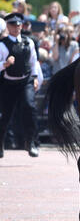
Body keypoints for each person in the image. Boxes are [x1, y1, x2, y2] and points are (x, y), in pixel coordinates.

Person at [0, 13, 42, 158]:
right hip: (8, 82)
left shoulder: (28, 42)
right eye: (13, 25)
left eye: (18, 25)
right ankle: (0, 144)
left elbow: (33, 61)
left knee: (29, 107)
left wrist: (35, 77)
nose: (16, 27)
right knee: (6, 115)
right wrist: (4, 64)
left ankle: (31, 142)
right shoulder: (2, 44)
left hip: (25, 80)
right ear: (8, 26)